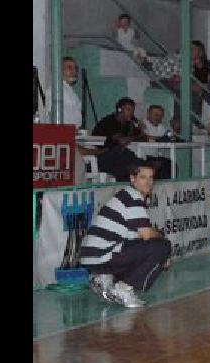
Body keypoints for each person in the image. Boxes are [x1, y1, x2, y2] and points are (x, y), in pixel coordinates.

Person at [82, 163, 173, 308]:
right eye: (143, 177)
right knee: (162, 246)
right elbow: (147, 234)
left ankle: (104, 277)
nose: (148, 182)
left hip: (95, 256)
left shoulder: (126, 195)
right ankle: (123, 289)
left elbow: (136, 238)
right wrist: (165, 251)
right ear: (132, 178)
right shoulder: (132, 198)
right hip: (102, 256)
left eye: (151, 178)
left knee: (152, 246)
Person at [91, 97, 148, 179]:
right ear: (119, 110)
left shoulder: (128, 123)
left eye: (132, 110)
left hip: (116, 156)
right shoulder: (109, 121)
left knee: (129, 158)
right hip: (102, 155)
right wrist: (135, 136)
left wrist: (140, 129)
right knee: (127, 155)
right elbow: (122, 141)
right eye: (128, 109)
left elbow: (143, 138)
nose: (131, 113)